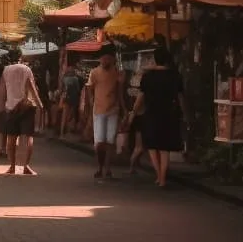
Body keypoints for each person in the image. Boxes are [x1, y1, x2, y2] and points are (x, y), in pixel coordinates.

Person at [133, 46, 186, 188]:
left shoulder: (148, 76)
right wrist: (184, 112)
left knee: (152, 146)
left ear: (155, 59)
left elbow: (140, 97)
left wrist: (133, 112)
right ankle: (162, 177)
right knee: (164, 147)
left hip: (151, 113)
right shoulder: (175, 75)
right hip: (169, 114)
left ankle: (158, 175)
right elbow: (180, 97)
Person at [83, 52, 126, 181]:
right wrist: (89, 109)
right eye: (103, 58)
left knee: (110, 142)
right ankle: (100, 166)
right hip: (99, 111)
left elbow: (120, 93)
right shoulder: (95, 72)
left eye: (108, 58)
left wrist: (124, 110)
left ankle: (107, 169)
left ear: (112, 59)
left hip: (113, 110)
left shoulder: (117, 73)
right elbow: (89, 90)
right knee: (100, 143)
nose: (105, 60)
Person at [1, 54, 42, 176]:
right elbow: (31, 86)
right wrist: (40, 104)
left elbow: (5, 89)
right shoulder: (26, 69)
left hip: (11, 106)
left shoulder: (5, 71)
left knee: (11, 138)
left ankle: (12, 166)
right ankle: (25, 166)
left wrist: (6, 104)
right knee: (28, 137)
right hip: (27, 106)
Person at [59, 62, 84, 140]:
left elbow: (61, 89)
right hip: (73, 99)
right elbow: (78, 90)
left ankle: (62, 132)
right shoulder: (75, 79)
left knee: (64, 115)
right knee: (70, 115)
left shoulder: (64, 78)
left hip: (65, 98)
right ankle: (67, 131)